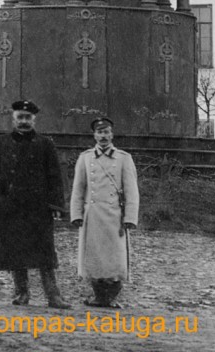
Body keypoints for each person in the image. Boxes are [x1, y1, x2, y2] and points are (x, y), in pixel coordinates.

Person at [0, 100, 71, 309]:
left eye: (27, 118)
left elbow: (55, 177)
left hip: (38, 209)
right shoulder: (0, 144)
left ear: (34, 120)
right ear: (13, 119)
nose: (24, 121)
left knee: (45, 253)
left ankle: (53, 295)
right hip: (10, 208)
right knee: (15, 251)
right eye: (20, 117)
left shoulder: (45, 144)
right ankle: (21, 293)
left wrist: (56, 206)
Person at [70, 116, 140, 308]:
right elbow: (78, 188)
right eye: (99, 132)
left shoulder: (124, 158)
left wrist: (130, 217)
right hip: (92, 215)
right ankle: (99, 295)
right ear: (94, 135)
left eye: (106, 132)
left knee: (115, 257)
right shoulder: (85, 158)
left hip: (114, 216)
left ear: (112, 134)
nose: (103, 136)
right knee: (93, 256)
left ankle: (111, 294)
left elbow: (131, 191)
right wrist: (76, 214)